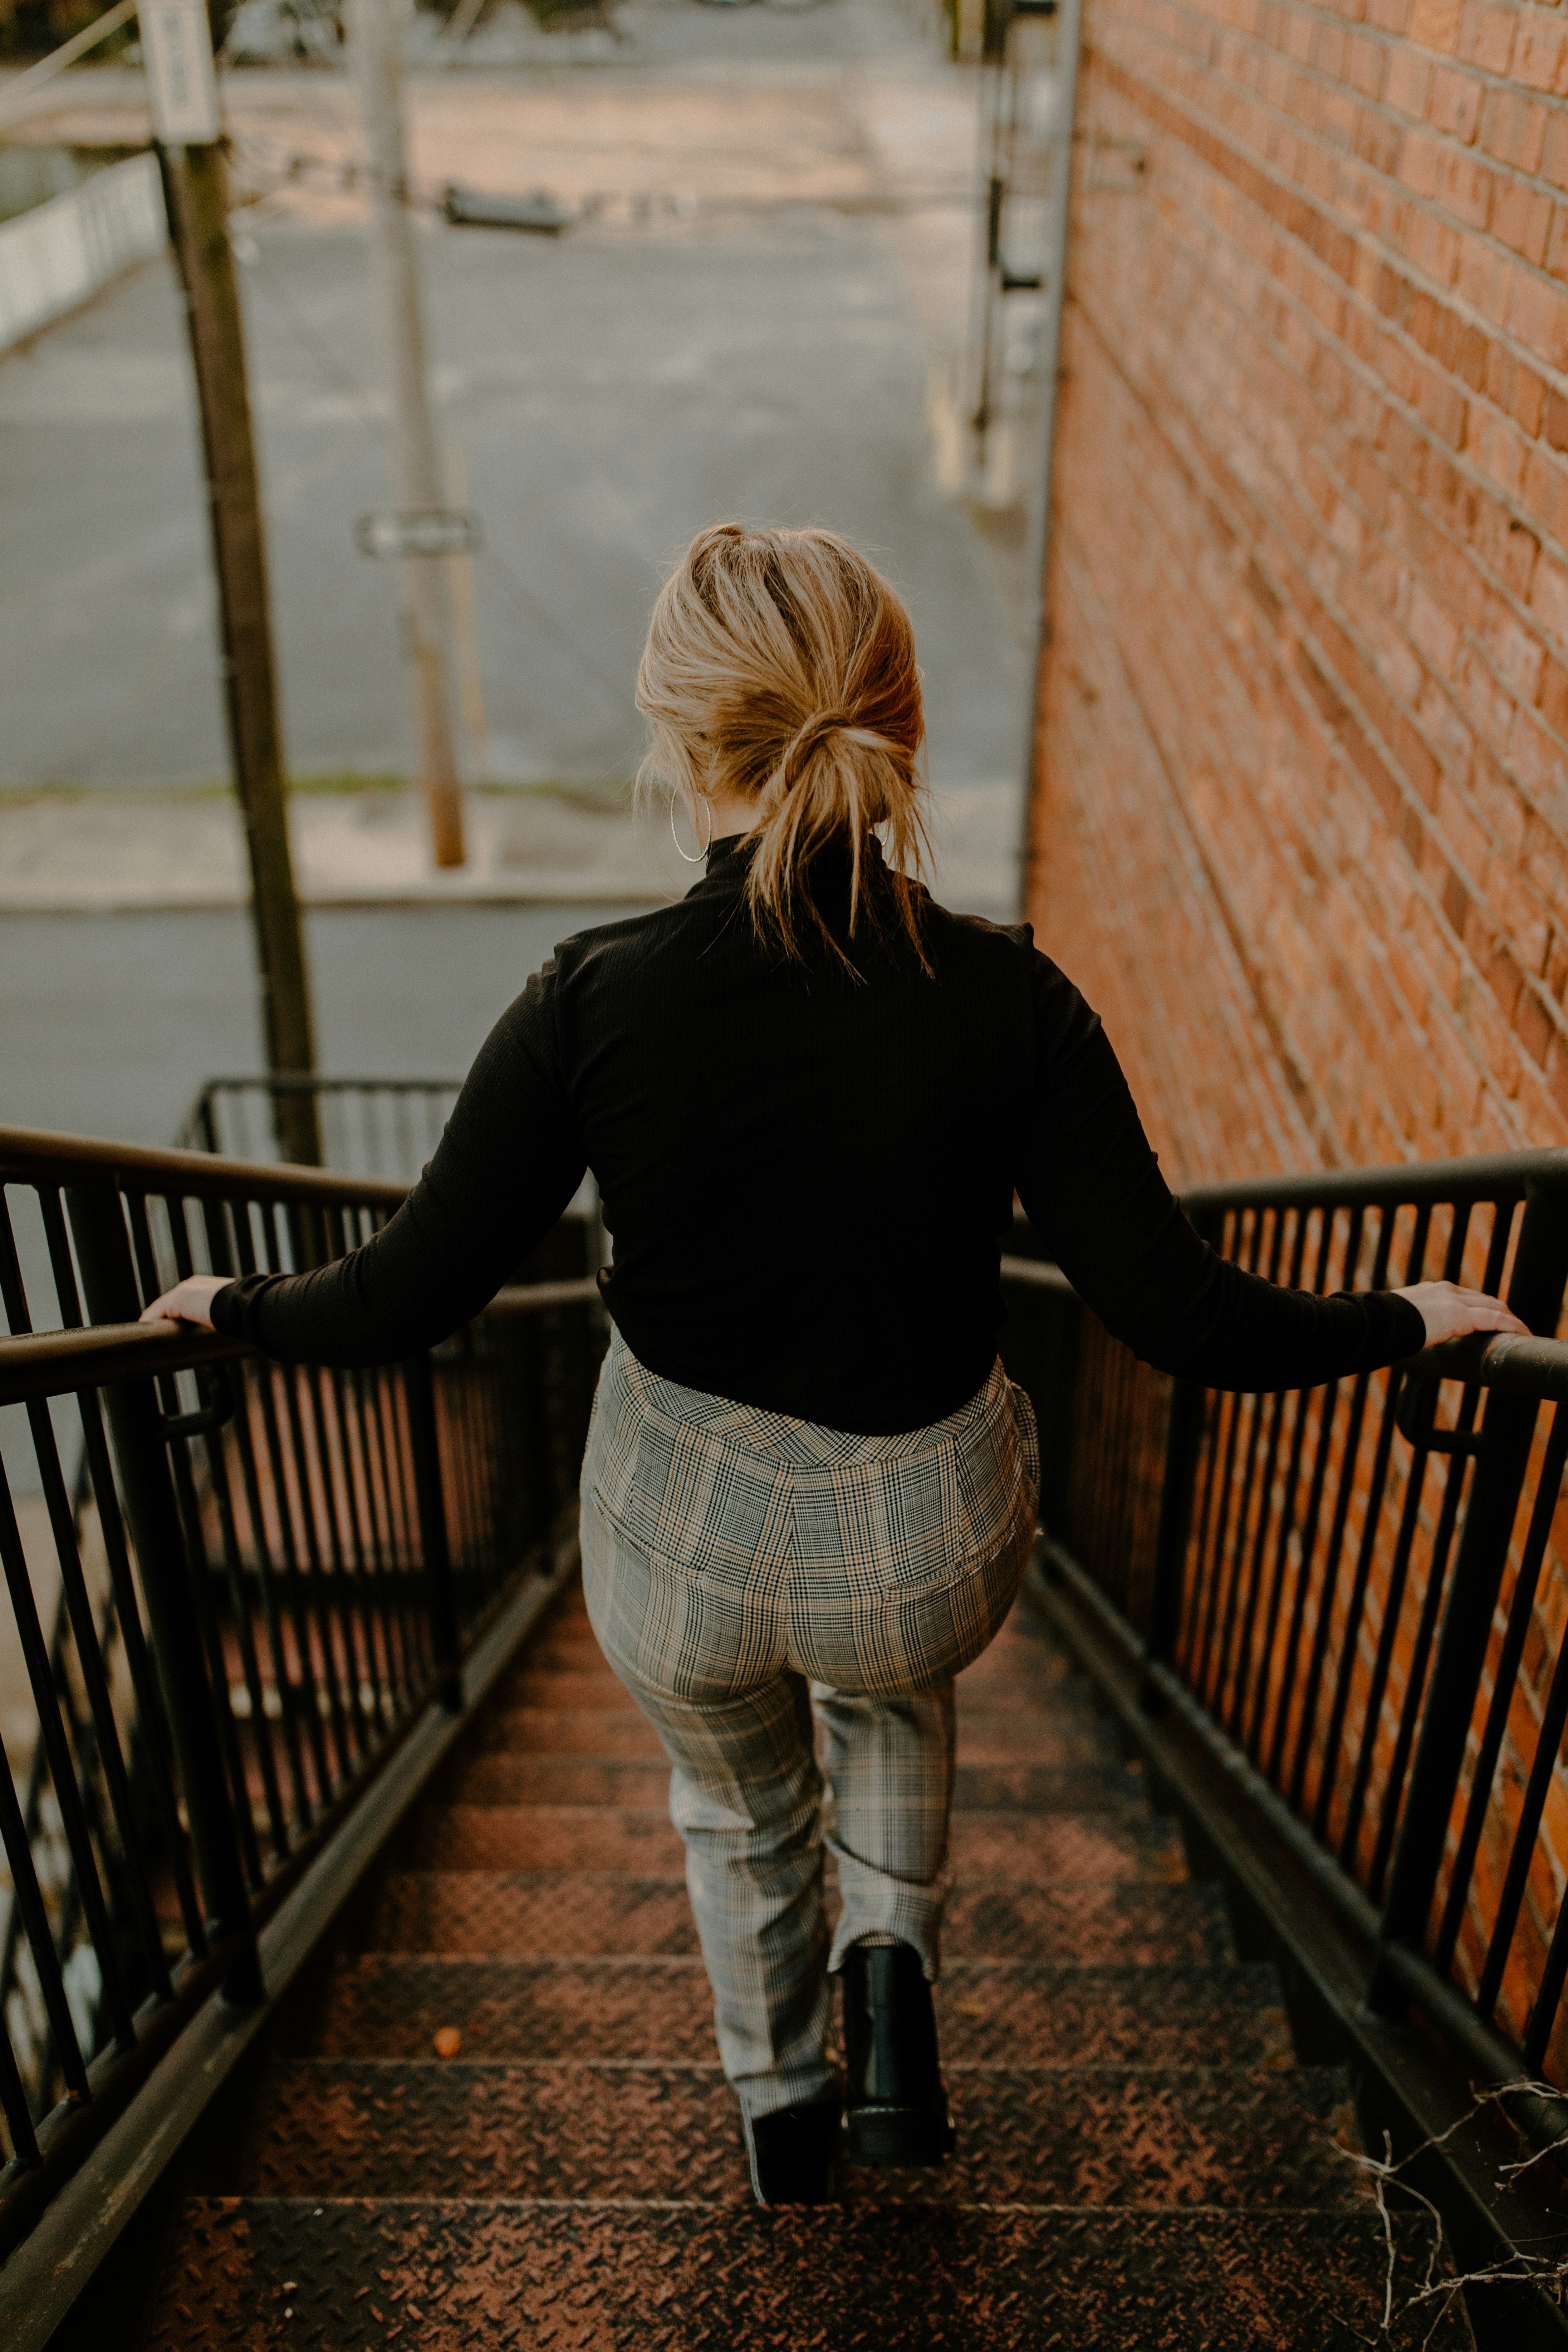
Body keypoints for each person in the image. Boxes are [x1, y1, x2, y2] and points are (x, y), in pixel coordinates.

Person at [144, 521, 1526, 2208]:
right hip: (926, 1541)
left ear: (678, 737)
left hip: (679, 1548)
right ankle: (889, 1980)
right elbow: (1182, 1315)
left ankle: (783, 2106)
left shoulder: (590, 1001)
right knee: (887, 1685)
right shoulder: (1012, 999)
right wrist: (1400, 1317)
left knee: (737, 1805)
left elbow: (406, 1298)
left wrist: (234, 1307)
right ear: (900, 727)